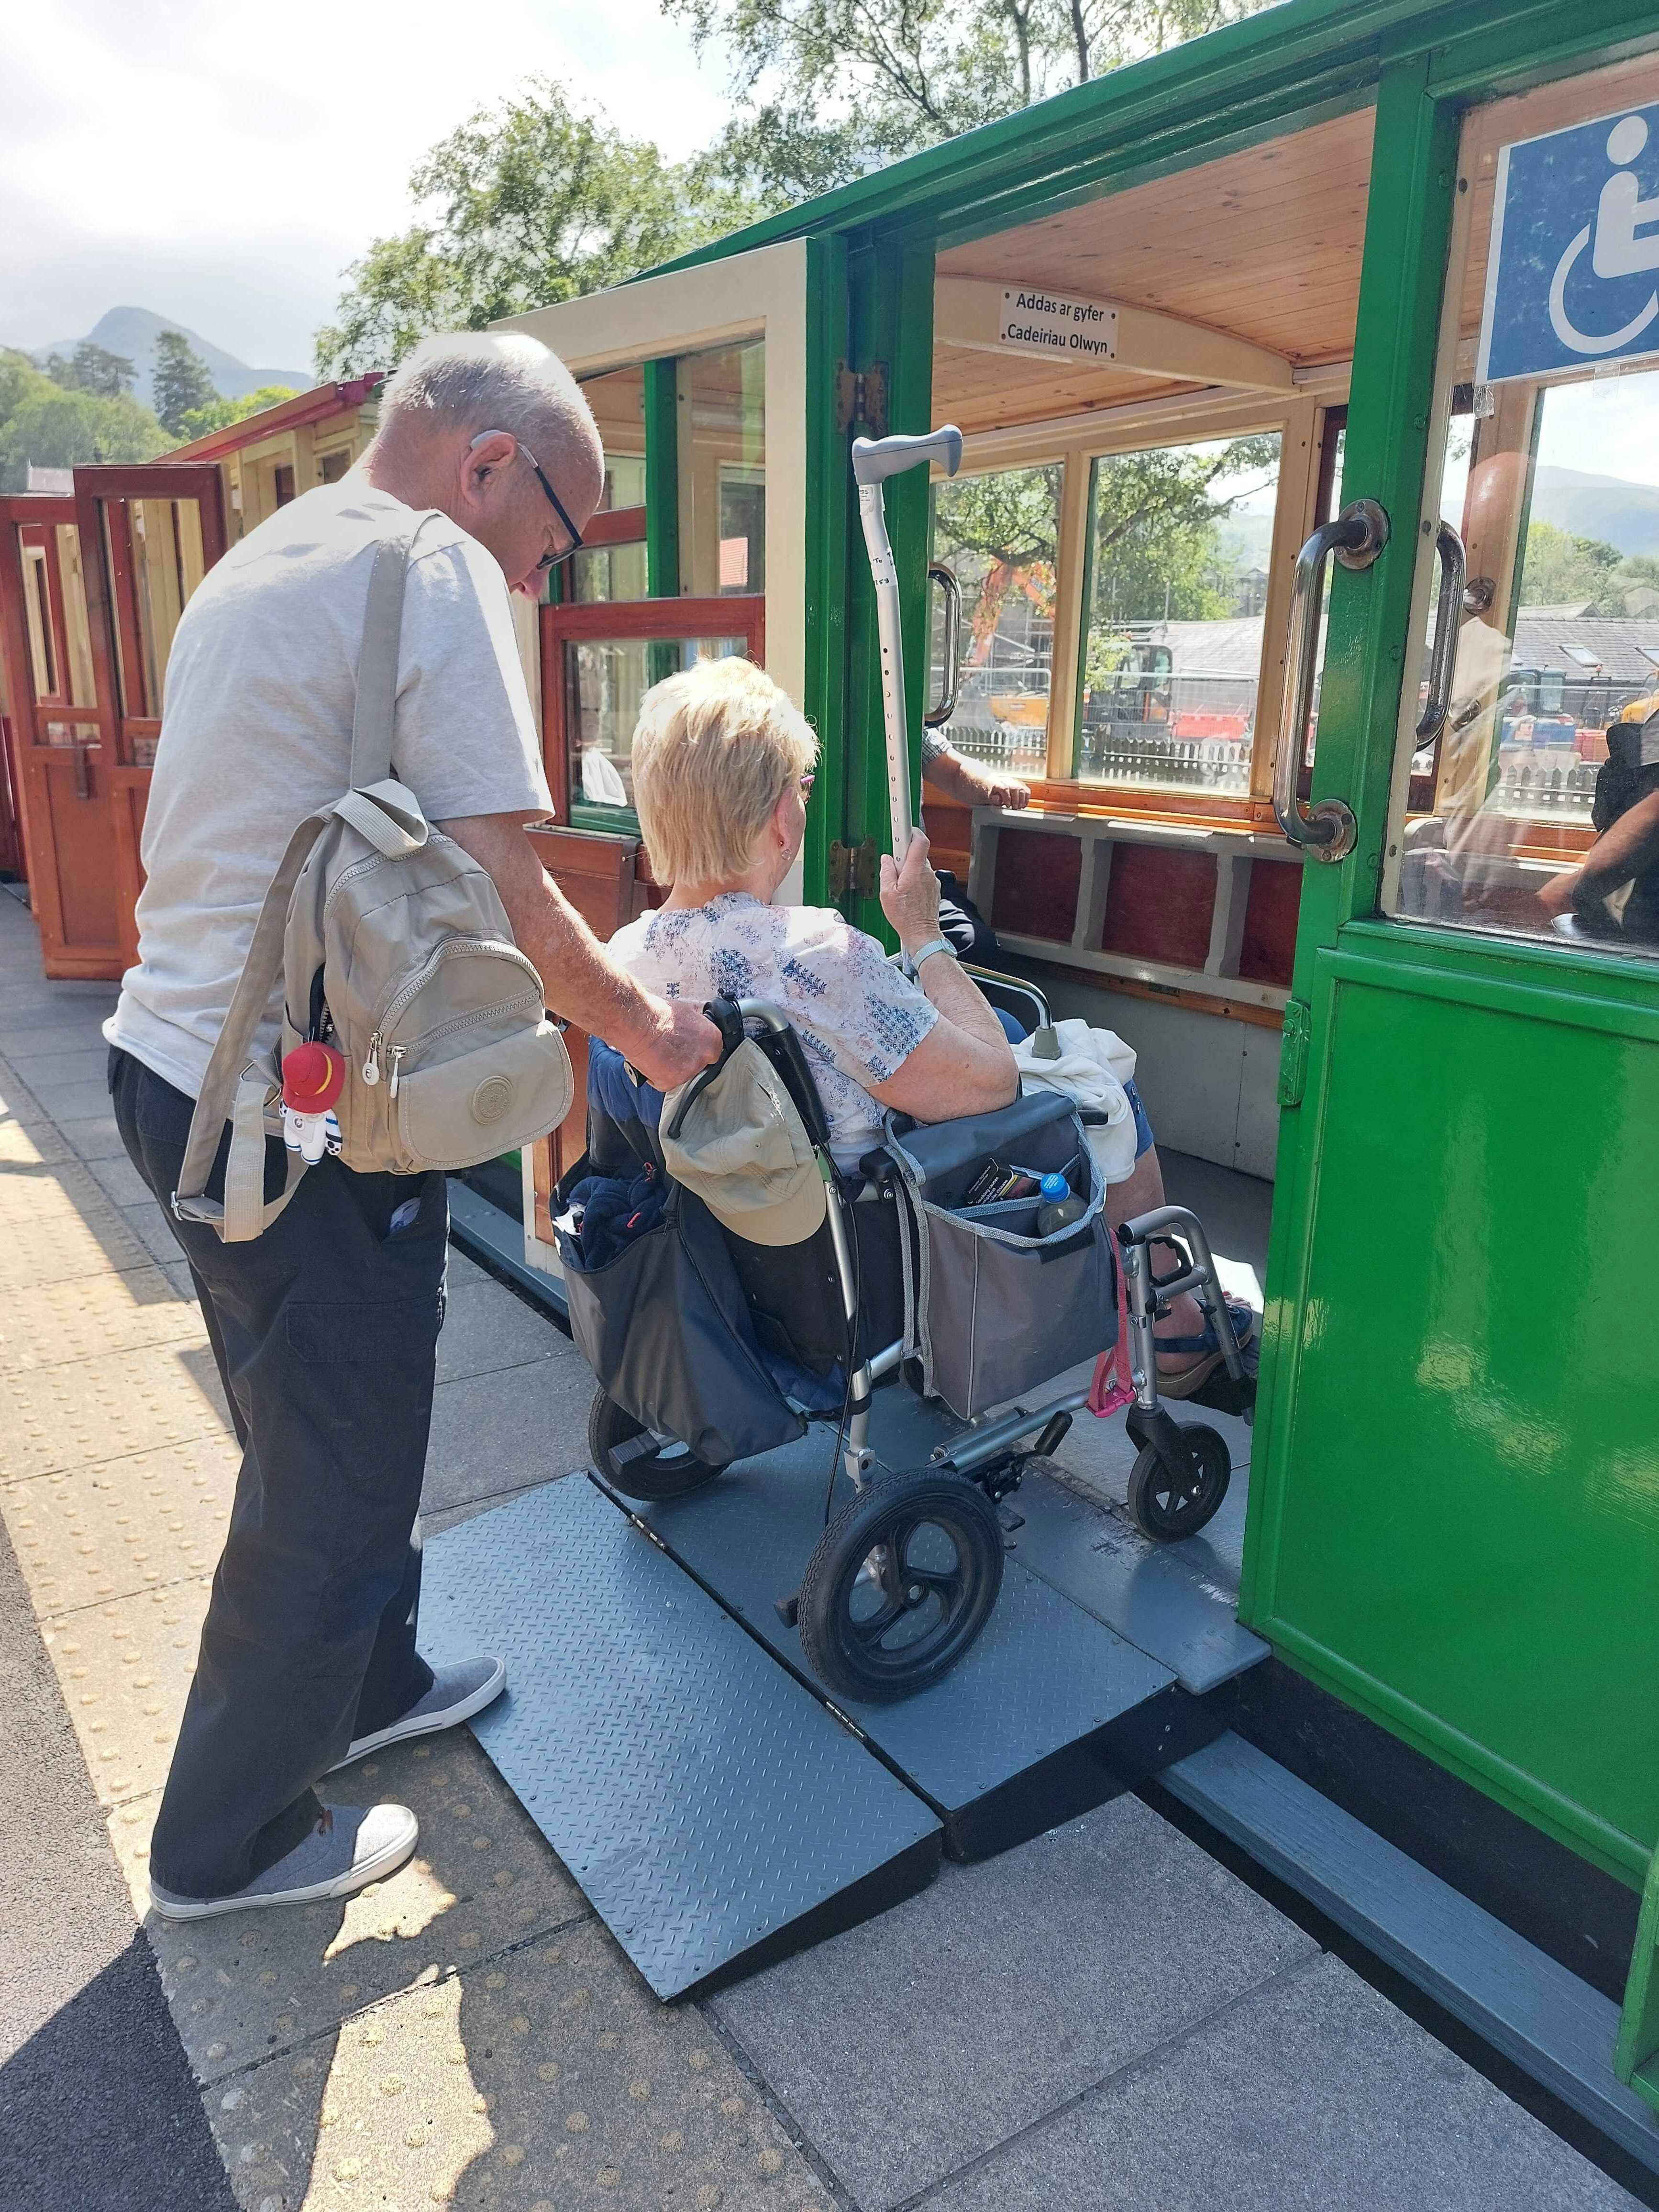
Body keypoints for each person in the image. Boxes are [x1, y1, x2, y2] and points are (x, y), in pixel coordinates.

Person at [106, 332, 720, 1922]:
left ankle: (371, 1682)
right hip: (286, 1112)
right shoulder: (431, 565)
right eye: (558, 539)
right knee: (326, 1464)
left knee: (337, 1409)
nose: (541, 577)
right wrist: (643, 1024)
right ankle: (222, 1841)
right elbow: (508, 878)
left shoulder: (273, 553)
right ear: (490, 464)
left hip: (192, 1068)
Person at [609, 658, 1250, 1392]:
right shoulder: (818, 957)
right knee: (1100, 1078)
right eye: (803, 790)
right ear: (783, 815)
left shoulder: (626, 959)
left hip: (744, 1231)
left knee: (1016, 1023)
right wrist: (924, 938)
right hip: (880, 1226)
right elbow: (995, 1082)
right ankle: (1171, 1331)